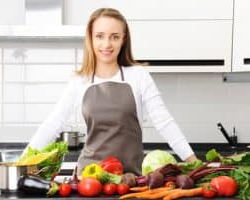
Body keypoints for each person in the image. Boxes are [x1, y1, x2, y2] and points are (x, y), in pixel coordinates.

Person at [24, 8, 197, 175]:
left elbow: (164, 122)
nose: (106, 44)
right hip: (90, 180)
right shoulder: (80, 80)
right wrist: (21, 164)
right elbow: (53, 123)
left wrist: (194, 163)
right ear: (90, 39)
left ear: (123, 39)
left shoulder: (138, 75)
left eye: (114, 37)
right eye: (99, 36)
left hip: (130, 180)